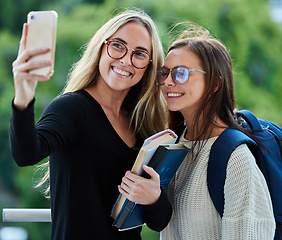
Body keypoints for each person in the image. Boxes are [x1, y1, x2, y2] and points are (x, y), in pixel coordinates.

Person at [10, 9, 172, 240]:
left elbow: (159, 221)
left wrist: (155, 197)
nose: (126, 60)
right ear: (101, 48)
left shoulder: (142, 124)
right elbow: (25, 154)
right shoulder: (71, 108)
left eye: (140, 53)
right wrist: (23, 97)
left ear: (148, 65)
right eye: (118, 45)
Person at [156, 27, 276, 239]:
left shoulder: (237, 159)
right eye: (164, 73)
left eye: (181, 73)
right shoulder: (173, 147)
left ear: (215, 83)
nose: (167, 82)